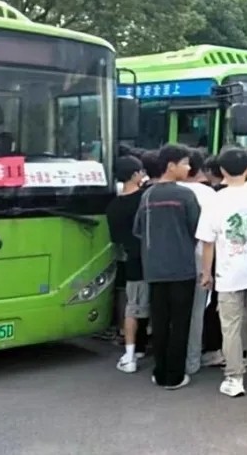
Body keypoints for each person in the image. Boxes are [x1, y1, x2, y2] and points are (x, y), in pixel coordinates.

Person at [197, 148, 247, 398]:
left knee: (230, 325)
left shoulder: (215, 200)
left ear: (221, 170)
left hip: (228, 272)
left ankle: (234, 376)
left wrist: (206, 273)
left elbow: (208, 242)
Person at [133, 144, 202, 390]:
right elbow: (198, 230)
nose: (189, 168)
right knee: (180, 323)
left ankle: (160, 371)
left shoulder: (147, 196)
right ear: (171, 166)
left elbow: (138, 230)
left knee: (160, 322)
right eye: (185, 163)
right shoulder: (186, 195)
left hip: (154, 269)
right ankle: (175, 375)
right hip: (182, 268)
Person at [178, 148, 218, 374]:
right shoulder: (209, 194)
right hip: (202, 258)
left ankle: (172, 357)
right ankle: (192, 361)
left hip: (172, 260)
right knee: (196, 313)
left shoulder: (171, 190)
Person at [109, 155, 148, 374]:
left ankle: (132, 352)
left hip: (131, 261)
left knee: (133, 308)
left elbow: (115, 238)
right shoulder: (145, 198)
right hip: (153, 258)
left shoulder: (113, 205)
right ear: (135, 175)